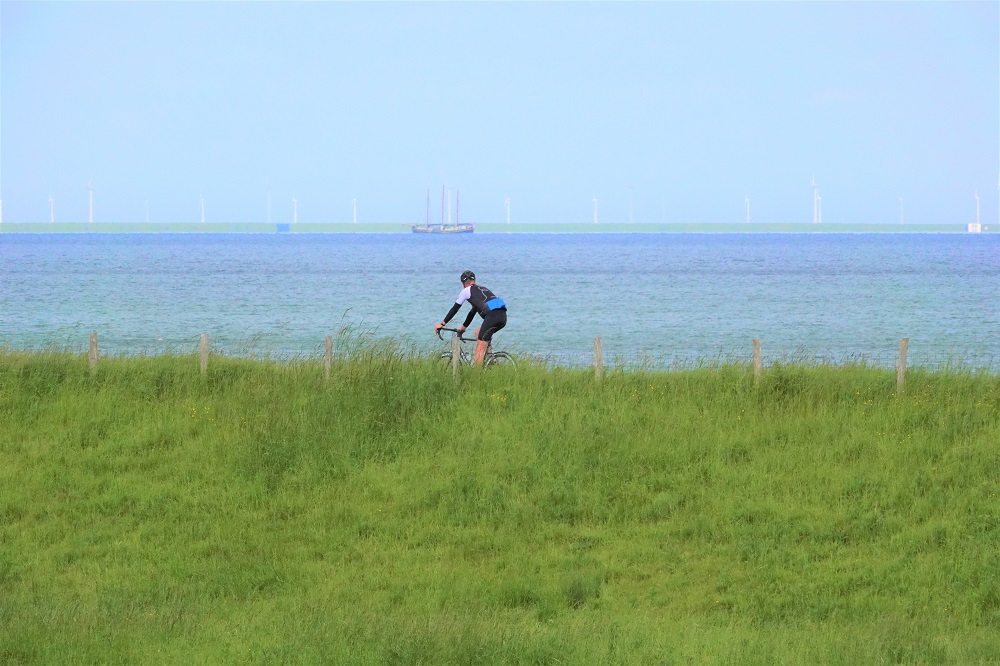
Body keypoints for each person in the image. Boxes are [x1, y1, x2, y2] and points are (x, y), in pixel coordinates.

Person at [434, 270, 507, 366]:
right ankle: (490, 359)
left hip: (492, 316)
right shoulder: (482, 289)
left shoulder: (466, 291)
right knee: (478, 332)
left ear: (463, 283)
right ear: (474, 280)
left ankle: (477, 376)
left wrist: (442, 324)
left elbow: (455, 308)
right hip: (502, 316)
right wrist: (464, 327)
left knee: (479, 348)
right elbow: (473, 311)